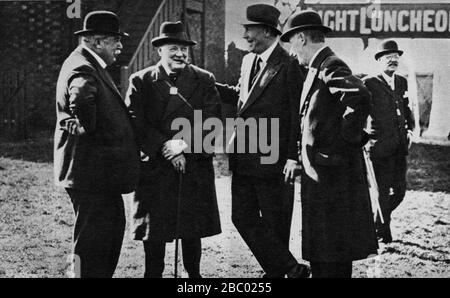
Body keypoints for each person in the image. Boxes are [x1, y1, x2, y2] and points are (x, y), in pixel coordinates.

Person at [281, 10, 378, 278]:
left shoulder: (330, 64)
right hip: (322, 174)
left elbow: (359, 96)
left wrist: (342, 143)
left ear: (301, 38)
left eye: (291, 42)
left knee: (333, 249)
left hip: (332, 174)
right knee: (326, 249)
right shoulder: (318, 65)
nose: (292, 50)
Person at [216, 4, 310, 278]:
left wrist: (293, 156)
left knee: (276, 221)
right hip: (244, 154)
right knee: (241, 217)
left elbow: (297, 113)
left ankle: (279, 272)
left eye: (249, 29)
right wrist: (209, 82)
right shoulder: (248, 62)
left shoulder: (290, 64)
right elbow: (243, 97)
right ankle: (289, 269)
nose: (244, 35)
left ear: (268, 32)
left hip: (275, 159)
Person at [125, 21, 222, 278]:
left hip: (193, 166)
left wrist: (183, 146)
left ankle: (194, 278)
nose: (180, 54)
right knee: (154, 233)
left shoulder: (204, 79)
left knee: (191, 230)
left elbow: (212, 121)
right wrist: (164, 146)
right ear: (160, 50)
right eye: (173, 48)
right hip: (155, 168)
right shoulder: (141, 81)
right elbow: (135, 120)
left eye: (184, 49)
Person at [54, 11, 140, 278]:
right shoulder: (83, 66)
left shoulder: (84, 62)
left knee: (107, 232)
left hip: (95, 174)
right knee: (92, 241)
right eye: (116, 41)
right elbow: (80, 97)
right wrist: (85, 124)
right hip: (91, 174)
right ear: (97, 41)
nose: (120, 46)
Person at [363, 40, 415, 244]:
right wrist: (362, 135)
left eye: (396, 57)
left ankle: (376, 222)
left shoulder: (402, 81)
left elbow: (406, 106)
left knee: (400, 192)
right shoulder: (369, 83)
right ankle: (382, 230)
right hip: (379, 147)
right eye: (388, 57)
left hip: (400, 146)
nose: (393, 60)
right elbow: (359, 110)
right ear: (379, 61)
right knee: (382, 191)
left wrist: (410, 128)